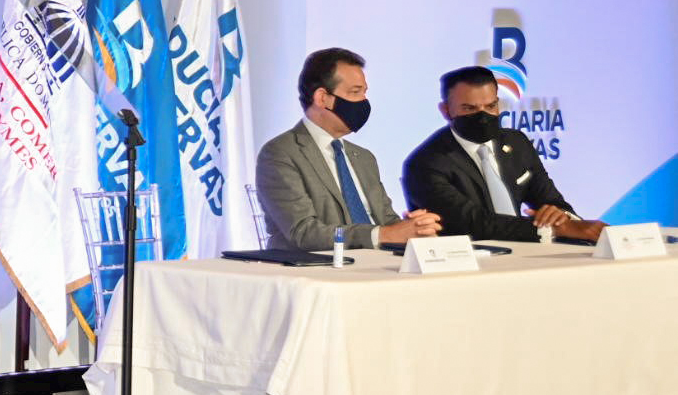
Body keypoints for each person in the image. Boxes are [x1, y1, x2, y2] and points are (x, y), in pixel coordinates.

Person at [254, 47, 441, 251]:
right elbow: (303, 232)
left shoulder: (364, 158)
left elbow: (385, 220)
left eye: (364, 92)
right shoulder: (281, 153)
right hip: (321, 265)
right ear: (322, 98)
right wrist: (384, 235)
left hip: (379, 263)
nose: (364, 101)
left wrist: (413, 228)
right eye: (355, 92)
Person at [402, 65, 605, 243]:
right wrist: (553, 229)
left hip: (528, 254)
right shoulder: (425, 163)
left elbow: (550, 199)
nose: (483, 116)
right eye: (469, 108)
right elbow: (473, 223)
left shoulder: (517, 142)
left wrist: (561, 217)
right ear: (446, 110)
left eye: (491, 106)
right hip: (468, 261)